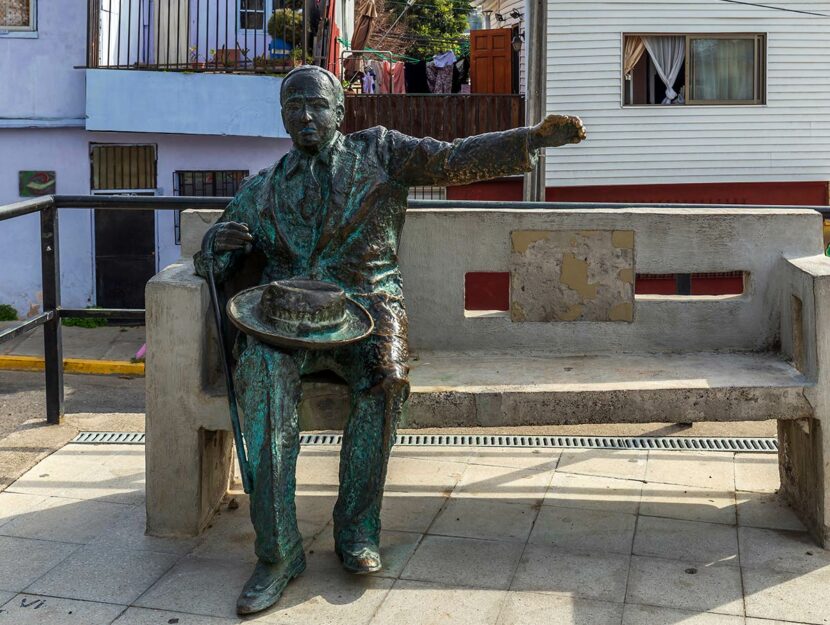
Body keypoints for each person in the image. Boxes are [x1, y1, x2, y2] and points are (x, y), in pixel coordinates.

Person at [194, 64, 586, 615]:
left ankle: (357, 529)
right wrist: (215, 244)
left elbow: (452, 160)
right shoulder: (262, 188)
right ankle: (278, 554)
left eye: (317, 105)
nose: (306, 115)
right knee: (258, 379)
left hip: (370, 311)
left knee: (386, 380)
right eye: (294, 107)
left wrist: (530, 140)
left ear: (340, 111)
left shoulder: (380, 152)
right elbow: (217, 257)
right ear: (282, 115)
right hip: (285, 323)